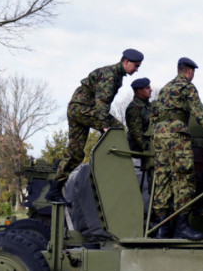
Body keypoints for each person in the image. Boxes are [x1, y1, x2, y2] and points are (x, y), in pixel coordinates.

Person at [45, 48, 144, 206]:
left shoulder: (115, 75)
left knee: (76, 153)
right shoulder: (111, 75)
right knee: (116, 129)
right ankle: (110, 164)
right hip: (83, 109)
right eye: (136, 66)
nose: (137, 69)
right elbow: (102, 103)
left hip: (76, 109)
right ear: (126, 62)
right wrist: (105, 127)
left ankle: (54, 190)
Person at [150, 57, 203, 240]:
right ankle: (182, 226)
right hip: (177, 134)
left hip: (159, 135)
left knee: (163, 178)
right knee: (185, 177)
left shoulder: (164, 89)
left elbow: (154, 114)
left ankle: (163, 228)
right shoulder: (186, 86)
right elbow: (200, 114)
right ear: (189, 71)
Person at [125, 77, 153, 219]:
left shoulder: (149, 106)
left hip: (148, 151)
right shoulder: (133, 108)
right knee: (141, 187)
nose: (151, 90)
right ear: (138, 91)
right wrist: (149, 149)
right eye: (148, 88)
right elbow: (137, 134)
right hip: (138, 152)